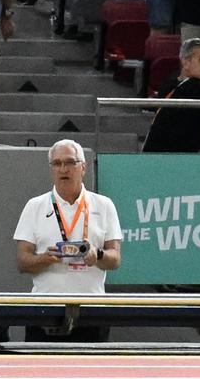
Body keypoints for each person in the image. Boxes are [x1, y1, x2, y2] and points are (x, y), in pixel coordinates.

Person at [14, 140, 121, 336]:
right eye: (57, 163)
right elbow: (22, 262)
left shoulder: (104, 205)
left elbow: (115, 259)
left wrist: (96, 254)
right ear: (51, 169)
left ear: (83, 168)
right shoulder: (35, 206)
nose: (63, 169)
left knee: (90, 367)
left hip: (92, 309)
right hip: (45, 310)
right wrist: (43, 259)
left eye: (70, 162)